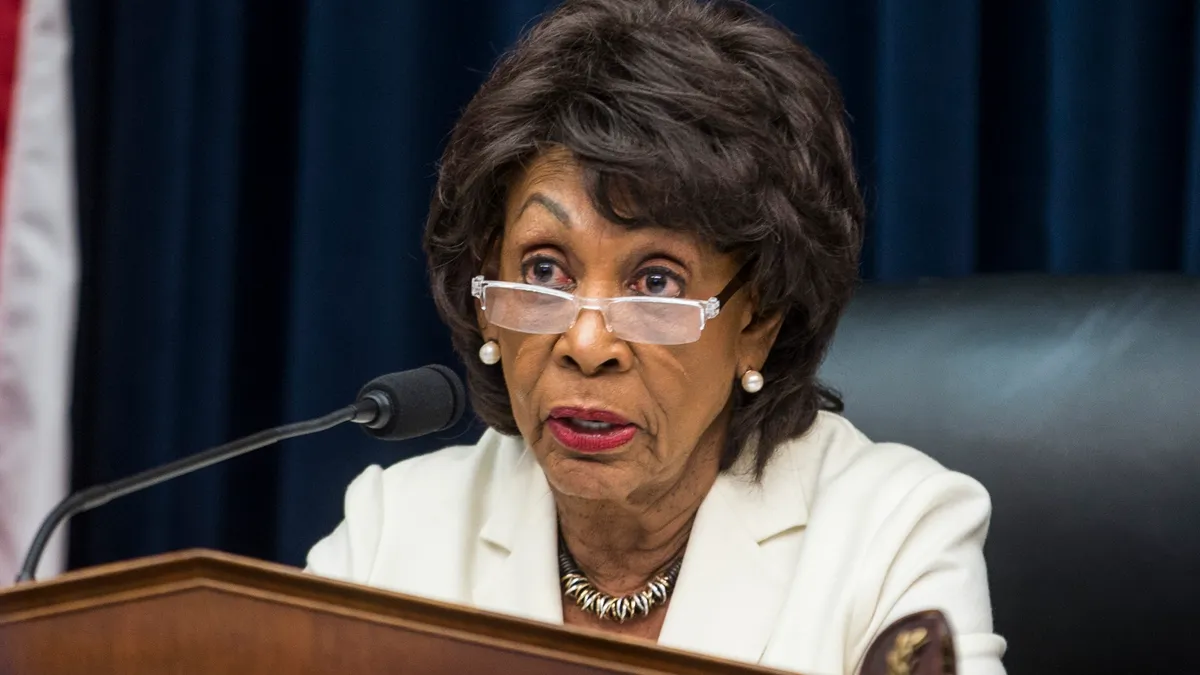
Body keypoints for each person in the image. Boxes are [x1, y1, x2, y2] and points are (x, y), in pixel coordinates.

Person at [305, 1, 1006, 673]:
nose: (586, 341)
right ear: (487, 299)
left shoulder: (893, 534)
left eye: (657, 282)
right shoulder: (392, 535)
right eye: (545, 269)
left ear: (758, 324)